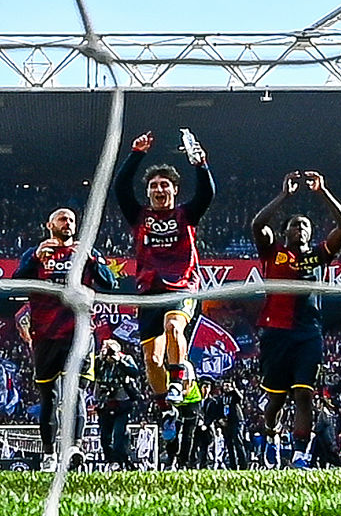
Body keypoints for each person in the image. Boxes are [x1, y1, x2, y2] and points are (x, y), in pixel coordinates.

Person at [113, 129, 215, 445]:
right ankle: (165, 408)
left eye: (165, 185)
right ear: (149, 192)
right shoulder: (139, 215)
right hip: (148, 292)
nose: (159, 189)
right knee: (151, 360)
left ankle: (178, 382)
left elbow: (207, 193)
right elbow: (120, 188)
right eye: (154, 185)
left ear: (174, 190)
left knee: (174, 328)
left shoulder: (186, 214)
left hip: (182, 285)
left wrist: (201, 166)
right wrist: (135, 154)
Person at [251, 170, 341, 468]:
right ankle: (271, 434)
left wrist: (322, 192)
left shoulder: (317, 256)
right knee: (276, 402)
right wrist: (284, 196)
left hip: (308, 333)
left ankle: (299, 455)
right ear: (286, 231)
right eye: (296, 225)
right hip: (274, 332)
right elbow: (258, 224)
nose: (302, 229)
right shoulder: (273, 251)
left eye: (306, 226)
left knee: (304, 394)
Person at [12, 204, 122, 469]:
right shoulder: (35, 253)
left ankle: (74, 448)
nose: (68, 222)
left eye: (71, 219)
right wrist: (35, 257)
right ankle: (49, 454)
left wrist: (92, 259)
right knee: (48, 395)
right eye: (62, 218)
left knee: (77, 393)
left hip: (79, 333)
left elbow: (110, 283)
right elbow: (15, 282)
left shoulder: (85, 252)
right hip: (46, 334)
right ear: (50, 225)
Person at [92, 337, 142, 468]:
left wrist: (119, 362)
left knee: (119, 434)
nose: (108, 355)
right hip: (105, 402)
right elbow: (90, 372)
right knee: (105, 436)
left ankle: (121, 460)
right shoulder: (99, 361)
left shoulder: (125, 359)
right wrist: (101, 359)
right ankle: (111, 460)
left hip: (122, 402)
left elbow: (135, 373)